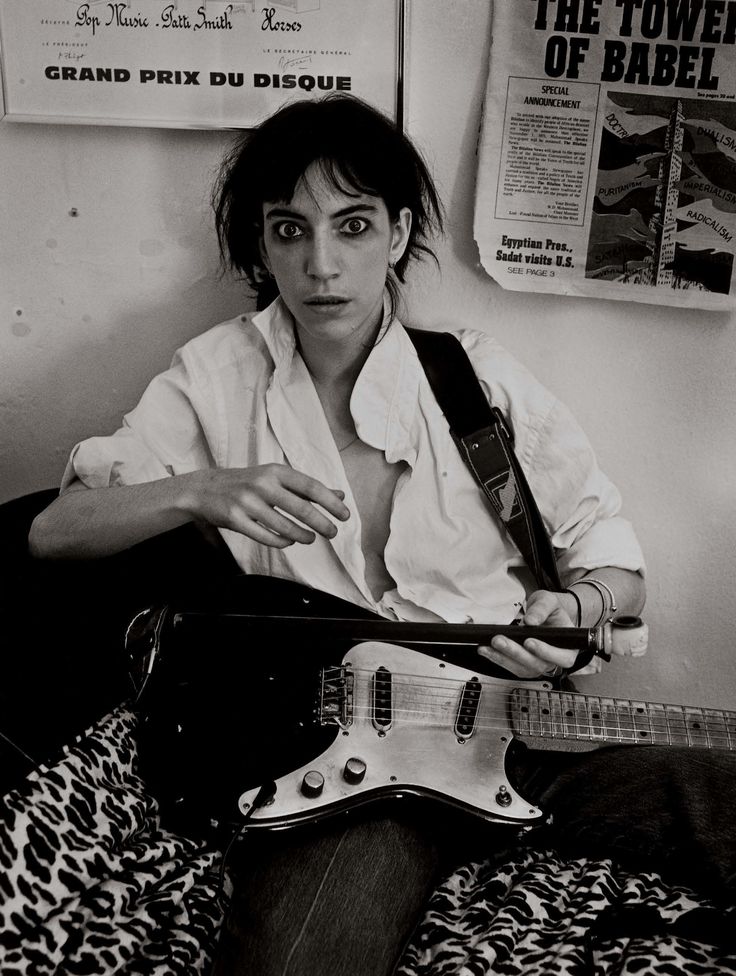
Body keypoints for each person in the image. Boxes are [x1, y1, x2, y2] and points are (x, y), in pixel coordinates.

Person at [29, 95, 735, 975]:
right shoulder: (215, 378)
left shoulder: (475, 379)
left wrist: (572, 607)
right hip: (346, 771)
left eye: (352, 226)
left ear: (397, 234)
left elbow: (616, 560)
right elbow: (56, 531)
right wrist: (200, 490)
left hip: (521, 728)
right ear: (261, 244)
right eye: (290, 231)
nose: (322, 265)